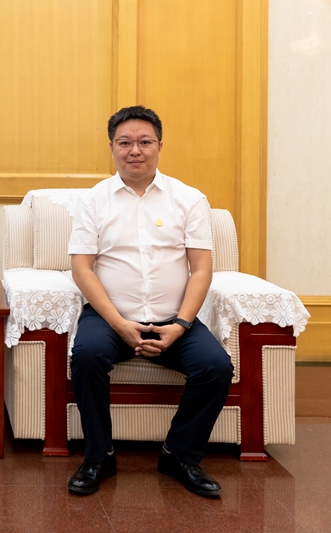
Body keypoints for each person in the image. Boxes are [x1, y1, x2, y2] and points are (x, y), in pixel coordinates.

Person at [66, 106, 233, 497]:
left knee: (216, 367)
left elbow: (201, 270)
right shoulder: (93, 201)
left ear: (159, 146)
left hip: (174, 319)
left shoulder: (189, 199)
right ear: (112, 147)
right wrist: (119, 324)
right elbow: (82, 269)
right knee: (87, 356)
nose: (134, 150)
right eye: (124, 142)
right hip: (110, 319)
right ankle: (99, 457)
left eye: (144, 142)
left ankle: (180, 455)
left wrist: (180, 326)